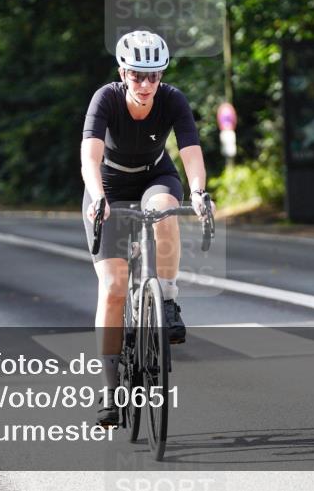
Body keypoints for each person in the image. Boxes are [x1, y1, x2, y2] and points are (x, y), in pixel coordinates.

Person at [81, 29, 216, 427]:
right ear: (123, 73)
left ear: (161, 76)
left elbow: (190, 149)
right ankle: (110, 393)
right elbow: (90, 156)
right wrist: (98, 197)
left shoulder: (172, 100)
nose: (144, 85)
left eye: (152, 76)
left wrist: (199, 192)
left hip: (155, 176)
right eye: (137, 75)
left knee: (165, 211)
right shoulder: (105, 99)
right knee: (113, 287)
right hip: (107, 184)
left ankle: (168, 301)